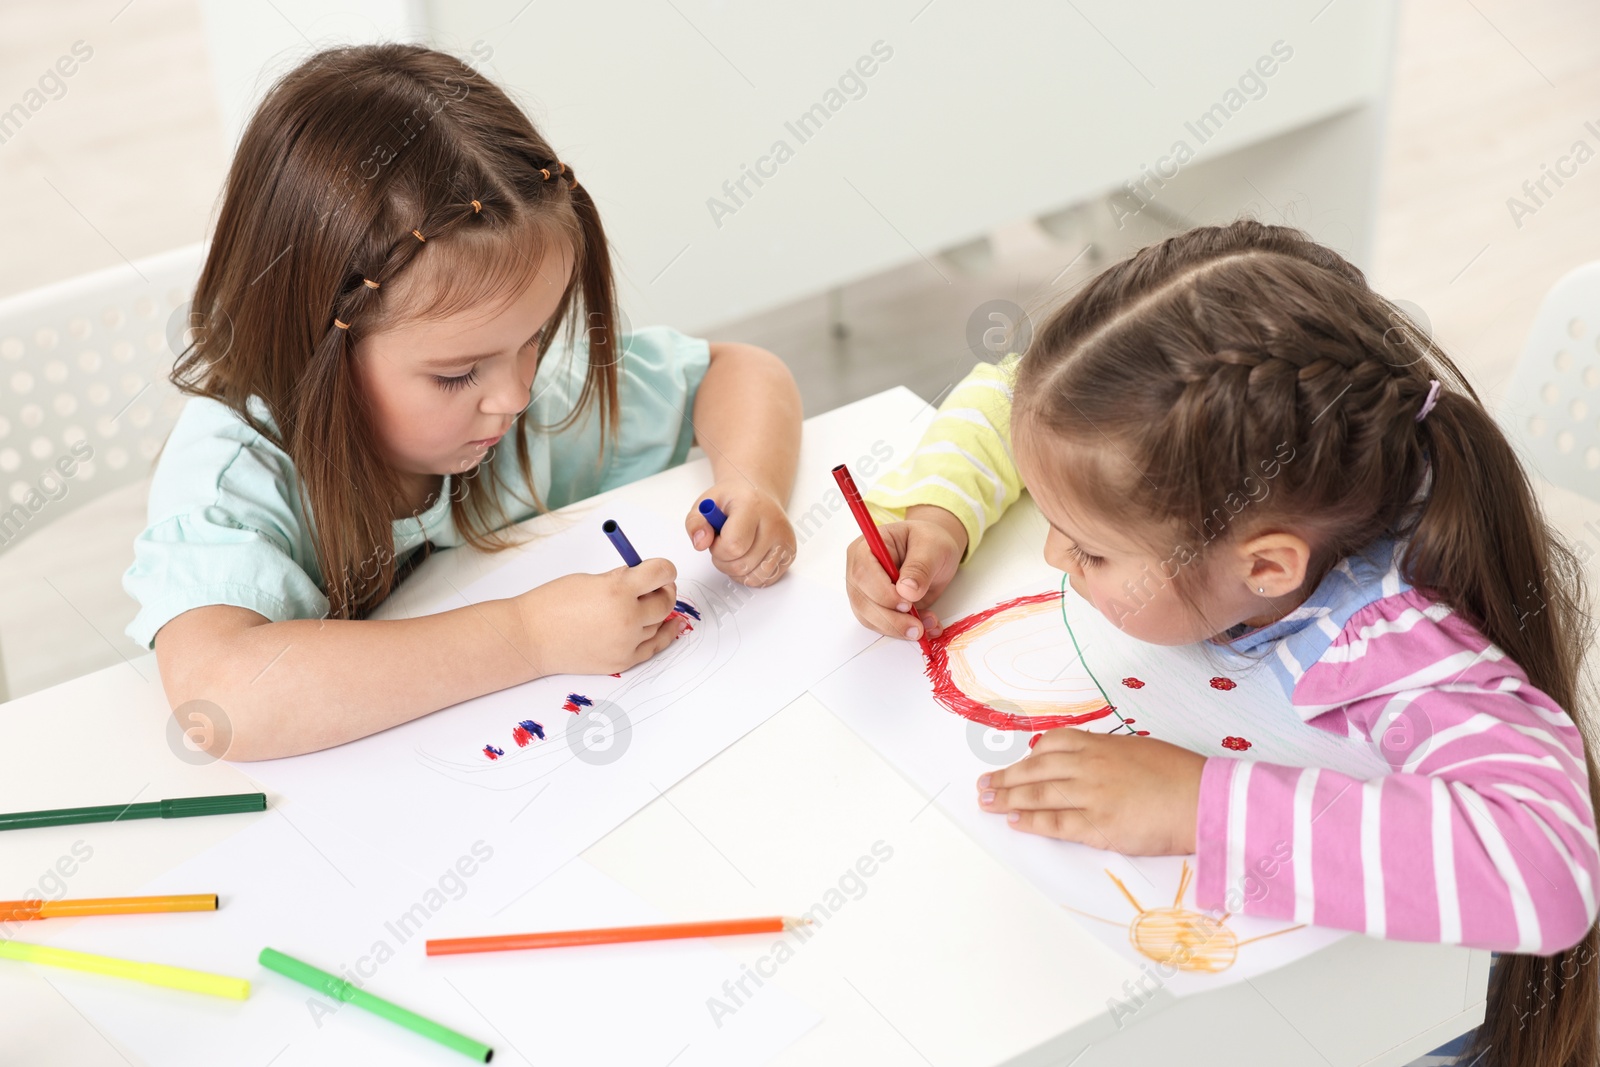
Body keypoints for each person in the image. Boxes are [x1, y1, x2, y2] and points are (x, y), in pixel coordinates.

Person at [846, 220, 1599, 1067]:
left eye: (1089, 549)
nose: (1056, 557)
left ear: (1267, 566)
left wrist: (1195, 805)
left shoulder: (1394, 644)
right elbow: (1013, 395)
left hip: (1402, 1023)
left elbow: (1554, 870)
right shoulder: (1226, 467)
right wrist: (941, 509)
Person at [125, 44, 800, 761]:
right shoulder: (233, 477)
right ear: (311, 349)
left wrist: (750, 482)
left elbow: (739, 373)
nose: (513, 396)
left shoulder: (519, 400)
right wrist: (527, 636)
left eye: (535, 337)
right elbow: (221, 699)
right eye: (456, 375)